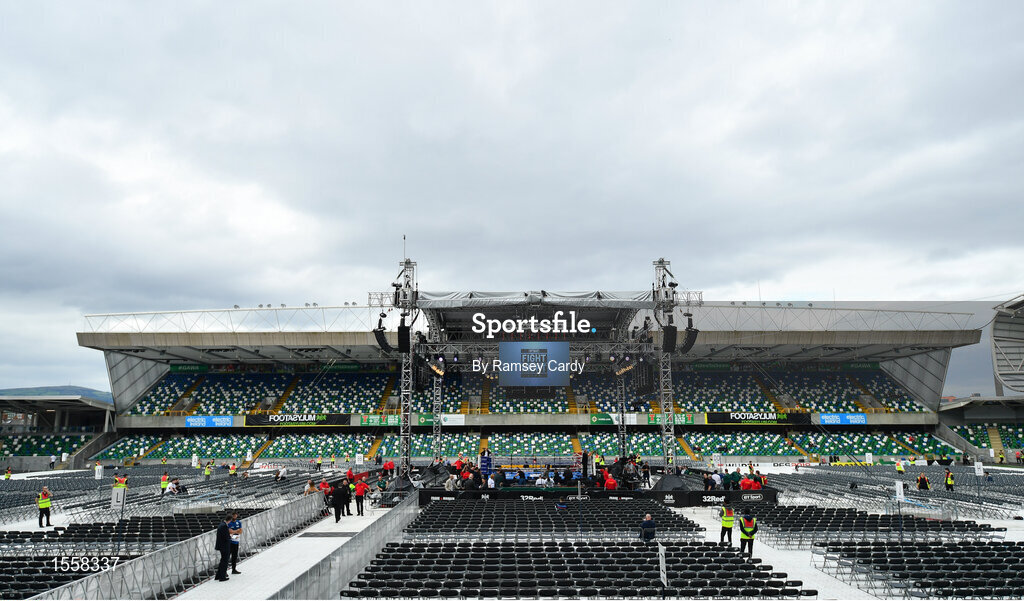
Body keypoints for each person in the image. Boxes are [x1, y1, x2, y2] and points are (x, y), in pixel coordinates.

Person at [215, 514, 231, 581]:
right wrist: (230, 537)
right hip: (224, 546)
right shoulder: (224, 526)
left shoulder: (221, 524)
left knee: (222, 561)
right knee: (225, 561)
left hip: (221, 545)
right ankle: (222, 577)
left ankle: (218, 575)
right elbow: (226, 537)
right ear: (229, 520)